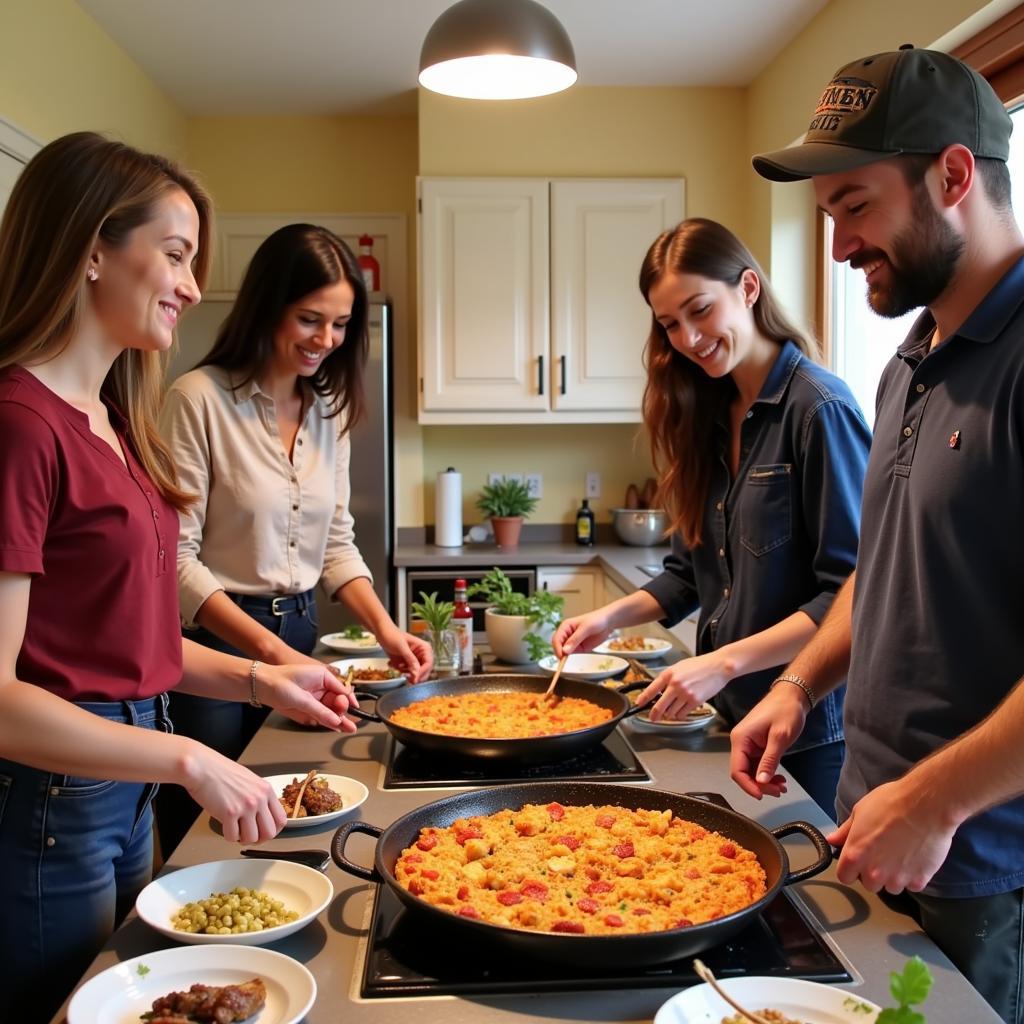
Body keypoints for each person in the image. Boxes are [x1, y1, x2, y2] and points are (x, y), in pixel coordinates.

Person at [0, 132, 359, 1024]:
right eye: (175, 255)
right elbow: (2, 700)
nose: (193, 287)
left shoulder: (116, 421)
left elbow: (133, 646)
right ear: (91, 249)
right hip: (56, 797)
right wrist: (193, 758)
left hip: (123, 780)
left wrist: (259, 676)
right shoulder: (20, 424)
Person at [734, 45, 1024, 1023]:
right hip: (868, 826)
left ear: (951, 175)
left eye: (854, 207)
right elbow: (879, 566)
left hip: (981, 870)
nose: (836, 248)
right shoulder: (911, 358)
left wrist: (936, 800)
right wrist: (796, 683)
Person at [552, 217, 870, 816]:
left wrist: (721, 663)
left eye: (700, 311)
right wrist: (608, 618)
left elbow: (851, 595)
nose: (689, 338)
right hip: (729, 716)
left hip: (806, 730)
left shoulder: (819, 410)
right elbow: (689, 574)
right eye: (670, 324)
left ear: (748, 288)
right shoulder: (706, 411)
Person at [154, 223, 432, 855]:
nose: (326, 341)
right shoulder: (197, 400)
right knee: (210, 837)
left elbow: (336, 542)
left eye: (339, 325)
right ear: (268, 304)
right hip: (213, 648)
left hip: (301, 635)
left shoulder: (328, 411)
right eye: (311, 319)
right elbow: (177, 561)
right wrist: (270, 654)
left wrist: (385, 631)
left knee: (296, 815)